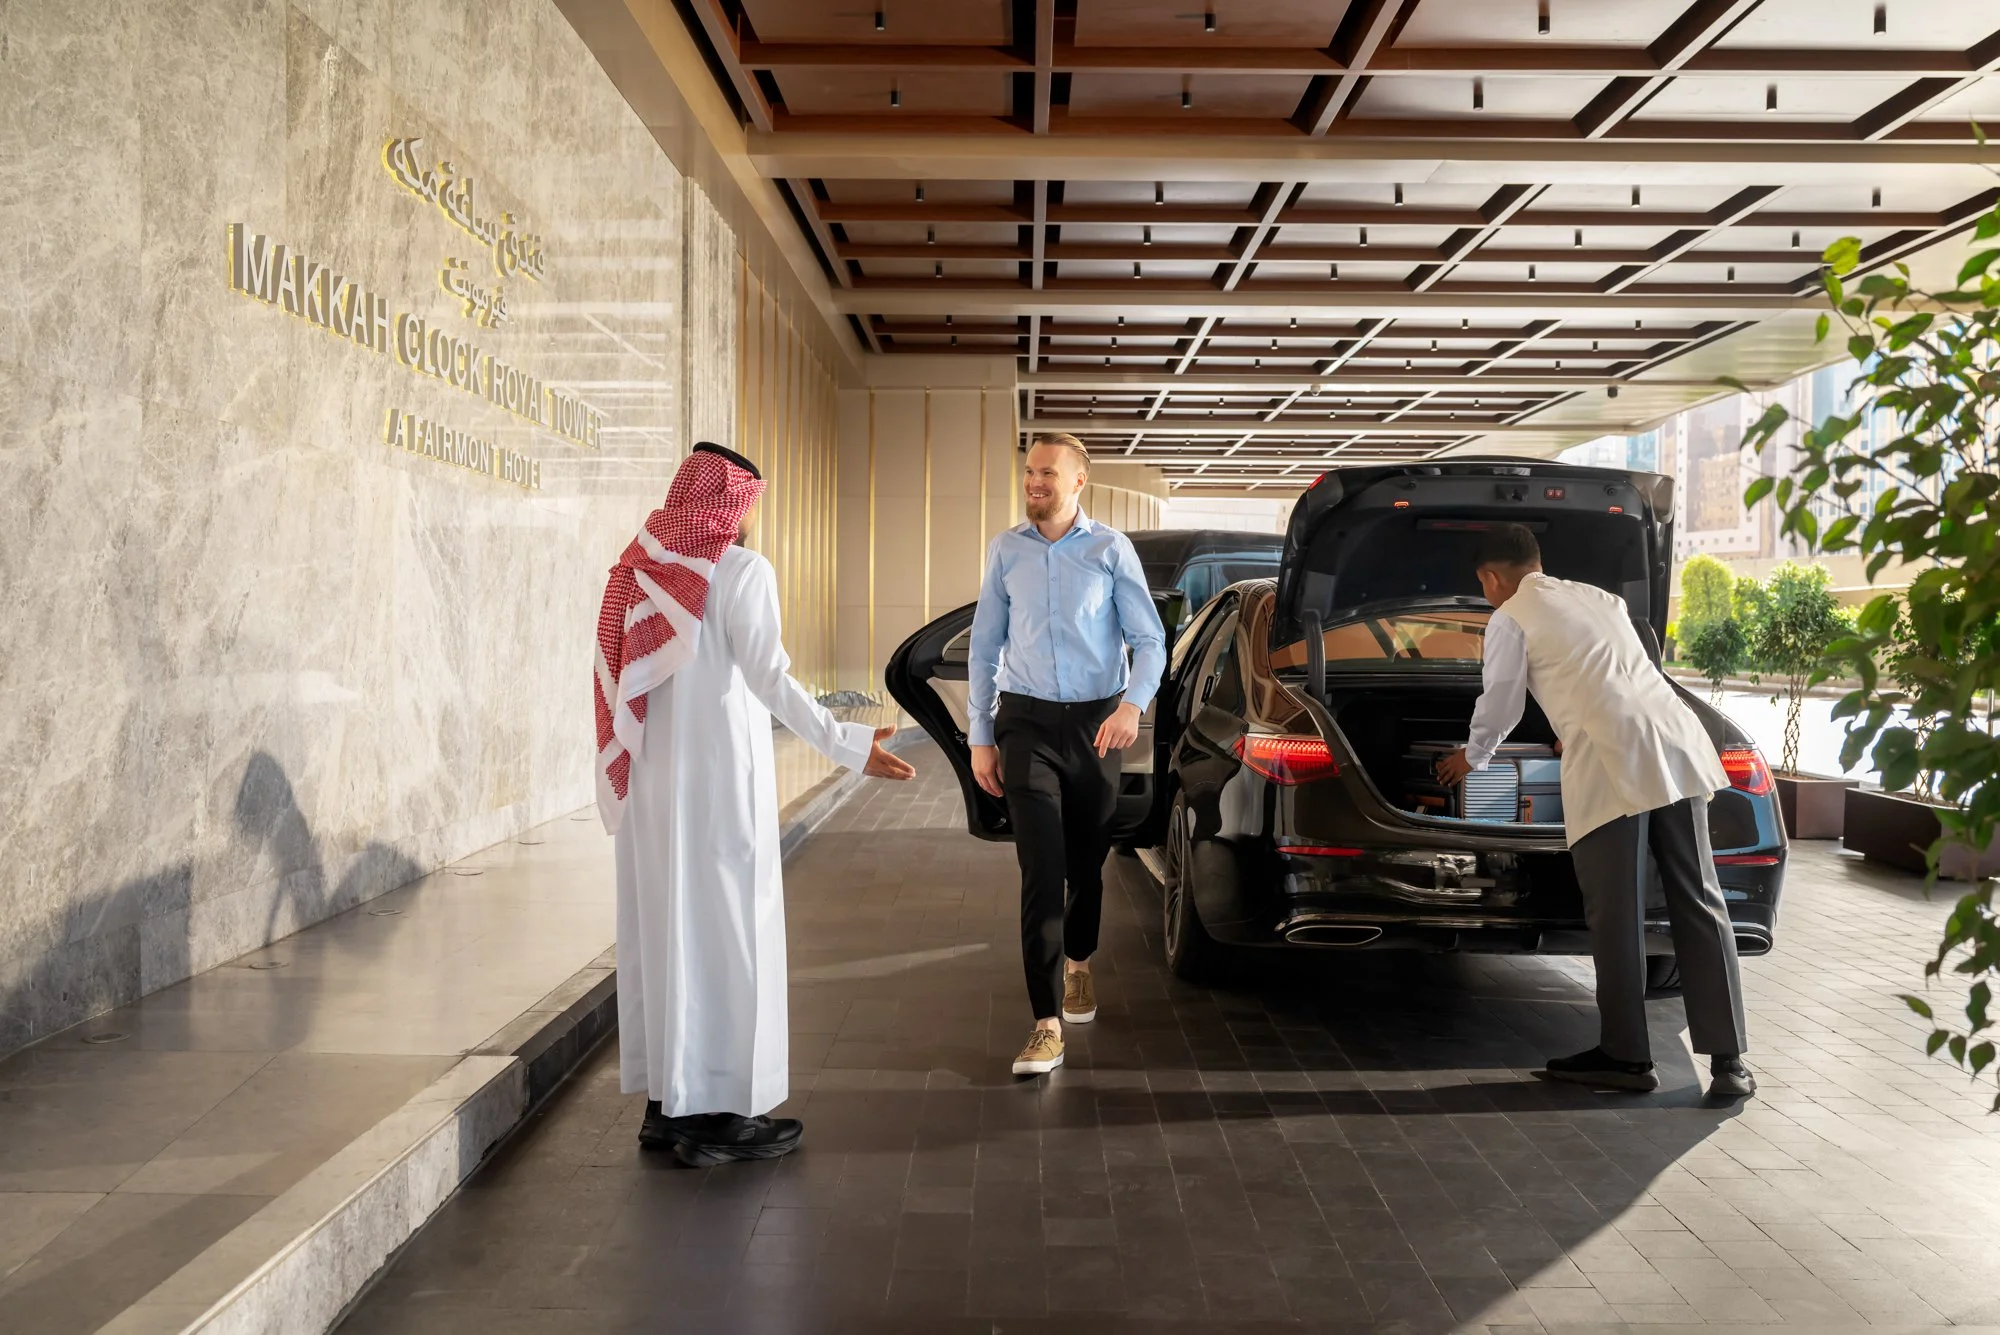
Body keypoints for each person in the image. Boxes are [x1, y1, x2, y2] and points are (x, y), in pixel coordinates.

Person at [595, 442, 916, 1167]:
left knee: (667, 932)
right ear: (733, 506)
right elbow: (773, 680)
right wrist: (849, 743)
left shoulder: (635, 570)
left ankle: (666, 1105)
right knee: (728, 935)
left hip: (651, 790)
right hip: (716, 788)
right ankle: (718, 1115)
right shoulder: (739, 570)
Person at [1433, 524, 1755, 1103]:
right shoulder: (1601, 598)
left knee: (1617, 913)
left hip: (1613, 763)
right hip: (1677, 745)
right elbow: (1616, 675)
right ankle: (1731, 1062)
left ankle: (1626, 1057)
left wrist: (1470, 756)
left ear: (1491, 578)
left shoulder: (1510, 616)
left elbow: (1502, 702)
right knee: (1701, 900)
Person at [967, 433, 1167, 1077]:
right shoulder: (1006, 550)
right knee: (1040, 870)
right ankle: (1046, 1023)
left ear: (1079, 482)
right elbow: (983, 646)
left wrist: (1132, 705)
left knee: (1086, 865)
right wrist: (981, 735)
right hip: (1023, 722)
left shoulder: (1112, 549)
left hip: (1094, 726)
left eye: (1047, 474)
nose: (1034, 484)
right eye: (1029, 472)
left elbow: (1149, 638)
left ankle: (1079, 965)